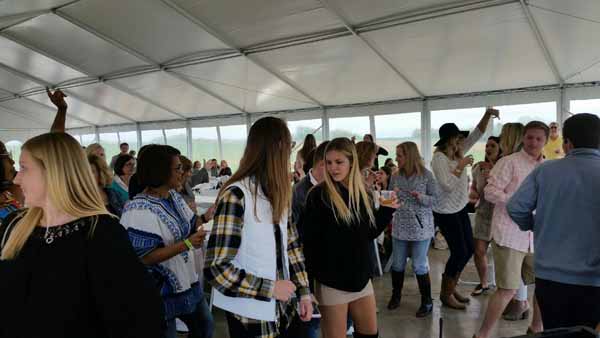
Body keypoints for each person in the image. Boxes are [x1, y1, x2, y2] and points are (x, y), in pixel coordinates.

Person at [0, 132, 164, 338]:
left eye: (24, 168)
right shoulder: (14, 224)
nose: (16, 178)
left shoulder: (102, 233)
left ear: (55, 172)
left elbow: (138, 316)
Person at [205, 117, 313, 338]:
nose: (290, 155)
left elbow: (292, 246)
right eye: (289, 147)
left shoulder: (280, 191)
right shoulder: (237, 195)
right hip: (251, 317)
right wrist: (271, 288)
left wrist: (304, 292)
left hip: (284, 309)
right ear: (277, 148)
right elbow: (217, 267)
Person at [507, 113, 600, 331]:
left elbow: (515, 207)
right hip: (594, 280)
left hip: (550, 277)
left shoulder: (545, 170)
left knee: (555, 331)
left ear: (567, 143)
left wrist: (534, 225)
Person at [301, 137, 398, 338]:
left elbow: (368, 234)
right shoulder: (317, 196)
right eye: (328, 163)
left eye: (339, 162)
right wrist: (307, 289)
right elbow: (308, 246)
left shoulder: (362, 192)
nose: (333, 168)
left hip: (361, 279)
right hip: (331, 282)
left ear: (351, 162)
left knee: (370, 333)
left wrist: (387, 211)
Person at [120, 144, 215, 338]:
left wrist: (205, 217)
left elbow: (189, 225)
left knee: (205, 326)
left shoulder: (173, 197)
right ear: (160, 171)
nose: (184, 173)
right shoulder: (138, 208)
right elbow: (144, 258)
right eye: (178, 168)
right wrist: (187, 244)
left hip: (187, 281)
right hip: (159, 292)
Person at [474, 121, 549, 338]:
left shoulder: (547, 167)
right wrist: (516, 202)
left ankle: (536, 329)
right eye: (529, 137)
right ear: (523, 138)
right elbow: (490, 192)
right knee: (507, 289)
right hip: (509, 234)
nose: (533, 142)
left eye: (538, 138)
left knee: (543, 286)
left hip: (537, 237)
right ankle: (483, 334)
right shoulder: (509, 162)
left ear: (546, 141)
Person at [431, 107, 497, 309]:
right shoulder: (439, 159)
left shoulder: (458, 151)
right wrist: (461, 165)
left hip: (459, 208)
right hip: (444, 212)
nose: (461, 140)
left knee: (468, 250)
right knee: (459, 251)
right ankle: (445, 294)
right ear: (450, 140)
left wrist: (487, 115)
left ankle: (451, 288)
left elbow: (478, 133)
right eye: (458, 137)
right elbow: (447, 185)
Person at [386, 141, 438, 318]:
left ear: (409, 156)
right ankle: (396, 295)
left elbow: (435, 200)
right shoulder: (395, 176)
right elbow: (389, 199)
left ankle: (427, 301)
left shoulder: (426, 176)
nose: (396, 159)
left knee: (419, 265)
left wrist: (421, 197)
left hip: (420, 228)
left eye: (399, 155)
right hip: (400, 225)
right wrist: (388, 197)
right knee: (397, 264)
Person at [291, 141, 329, 338]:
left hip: (330, 268)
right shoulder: (299, 192)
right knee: (310, 323)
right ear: (321, 164)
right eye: (331, 163)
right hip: (307, 267)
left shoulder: (334, 187)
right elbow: (294, 236)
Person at [470, 136, 501, 297]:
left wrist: (493, 170)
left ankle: (504, 287)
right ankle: (483, 283)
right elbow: (474, 189)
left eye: (493, 145)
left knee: (501, 253)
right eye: (487, 145)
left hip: (500, 214)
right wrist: (473, 193)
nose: (488, 148)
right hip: (483, 212)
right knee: (479, 250)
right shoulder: (478, 168)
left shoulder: (504, 167)